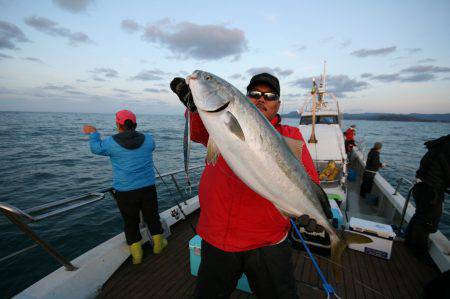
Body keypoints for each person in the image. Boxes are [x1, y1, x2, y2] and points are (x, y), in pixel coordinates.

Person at [171, 73, 322, 298]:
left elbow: (310, 183)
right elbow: (200, 131)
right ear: (244, 97)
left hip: (268, 241)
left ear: (278, 104)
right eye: (254, 94)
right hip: (218, 237)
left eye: (270, 96)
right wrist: (194, 109)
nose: (262, 99)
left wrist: (313, 211)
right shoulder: (218, 124)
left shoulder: (291, 135)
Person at [82, 110, 167, 264]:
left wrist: (94, 133)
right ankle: (158, 246)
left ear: (118, 125)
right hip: (148, 188)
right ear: (135, 124)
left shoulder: (110, 143)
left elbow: (95, 148)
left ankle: (137, 256)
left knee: (130, 222)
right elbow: (151, 147)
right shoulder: (148, 139)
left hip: (125, 192)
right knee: (153, 217)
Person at [405, 135, 450, 258]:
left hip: (421, 186)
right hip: (431, 190)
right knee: (427, 221)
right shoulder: (447, 150)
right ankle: (420, 253)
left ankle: (408, 242)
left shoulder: (437, 146)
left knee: (419, 215)